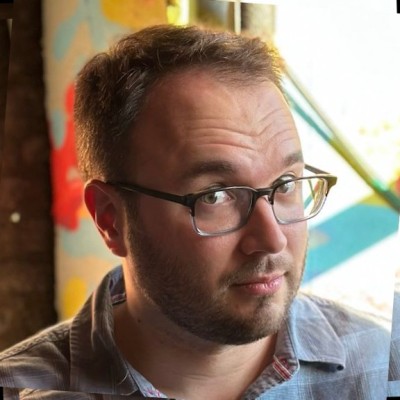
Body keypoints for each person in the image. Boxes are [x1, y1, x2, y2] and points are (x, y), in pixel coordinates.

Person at [0, 24, 391, 400]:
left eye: (286, 185)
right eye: (215, 196)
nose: (272, 239)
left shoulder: (386, 367)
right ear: (110, 219)